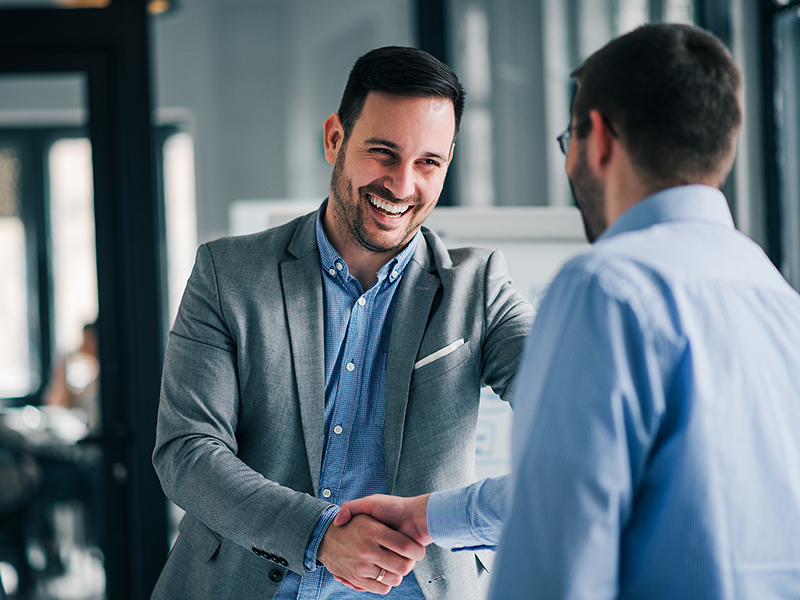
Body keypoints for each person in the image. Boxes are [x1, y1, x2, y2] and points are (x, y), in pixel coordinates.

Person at [334, 23, 800, 599]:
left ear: (597, 138)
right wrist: (429, 517)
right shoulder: (778, 299)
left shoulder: (607, 287)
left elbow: (556, 535)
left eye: (567, 140)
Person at [151, 46, 533, 600]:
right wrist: (320, 535)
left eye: (429, 163)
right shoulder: (227, 274)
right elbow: (187, 450)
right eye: (383, 152)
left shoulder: (478, 288)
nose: (402, 185)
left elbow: (577, 415)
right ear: (335, 138)